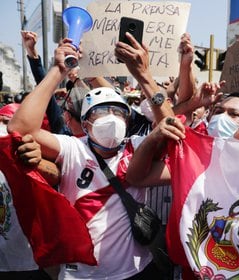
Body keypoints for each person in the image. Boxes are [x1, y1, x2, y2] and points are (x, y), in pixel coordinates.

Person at [8, 39, 162, 279]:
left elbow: (171, 128)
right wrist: (58, 70)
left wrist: (144, 75)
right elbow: (21, 128)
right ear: (86, 123)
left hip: (136, 270)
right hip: (82, 273)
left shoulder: (137, 147)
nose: (111, 118)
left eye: (118, 112)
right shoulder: (72, 148)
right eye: (101, 111)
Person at [0, 104, 59, 280]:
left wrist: (35, 162)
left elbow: (56, 176)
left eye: (10, 123)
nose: (5, 129)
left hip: (31, 263)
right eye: (2, 121)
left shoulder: (37, 154)